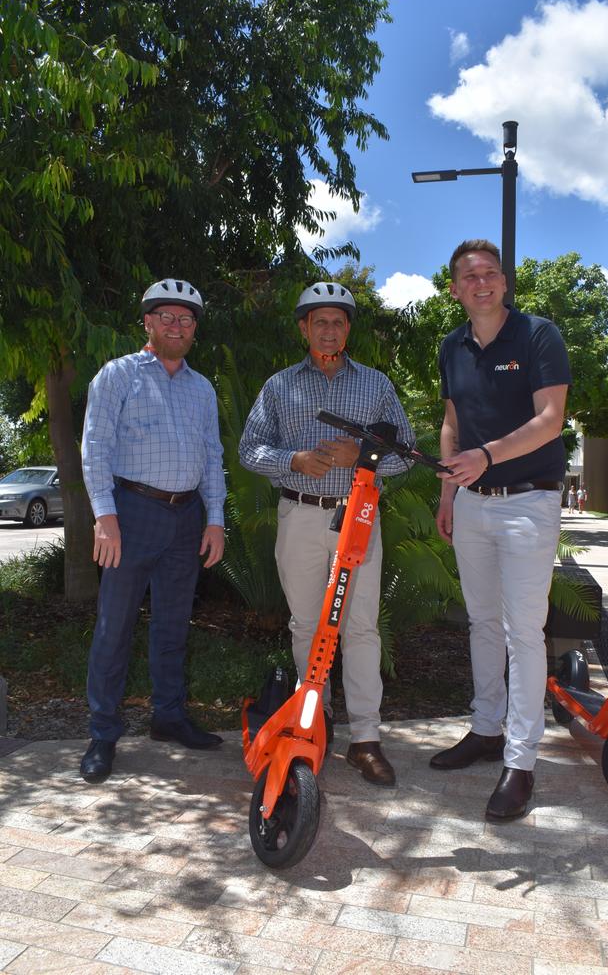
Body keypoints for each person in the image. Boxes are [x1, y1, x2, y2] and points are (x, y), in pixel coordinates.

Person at [239, 281, 414, 786]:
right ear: (303, 328)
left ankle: (366, 739)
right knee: (305, 625)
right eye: (320, 322)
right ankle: (317, 721)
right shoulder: (279, 387)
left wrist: (361, 457)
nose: (330, 330)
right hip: (301, 515)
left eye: (339, 321)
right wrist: (290, 459)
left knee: (361, 627)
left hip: (358, 516)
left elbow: (405, 454)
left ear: (349, 328)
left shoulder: (376, 385)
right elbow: (251, 449)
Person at [430, 240, 571, 821]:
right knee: (483, 623)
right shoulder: (451, 346)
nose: (480, 283)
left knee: (523, 631)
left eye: (489, 273)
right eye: (469, 276)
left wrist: (486, 456)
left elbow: (550, 419)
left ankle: (521, 760)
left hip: (527, 503)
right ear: (457, 289)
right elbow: (451, 423)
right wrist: (448, 492)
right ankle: (486, 730)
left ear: (504, 282)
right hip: (472, 505)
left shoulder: (539, 335)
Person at [80, 278, 227, 783]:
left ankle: (169, 716)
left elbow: (212, 455)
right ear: (147, 321)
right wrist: (105, 517)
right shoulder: (117, 375)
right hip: (131, 514)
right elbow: (95, 448)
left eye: (186, 320)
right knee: (113, 627)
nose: (177, 326)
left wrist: (214, 519)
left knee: (172, 625)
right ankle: (102, 733)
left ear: (194, 330)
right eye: (166, 317)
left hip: (186, 520)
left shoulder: (201, 388)